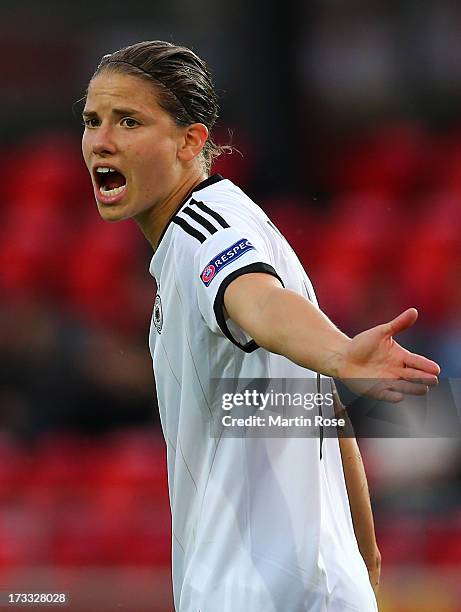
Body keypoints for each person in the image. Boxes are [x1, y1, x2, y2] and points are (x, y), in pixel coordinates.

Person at [81, 41, 440, 612]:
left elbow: (258, 301)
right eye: (93, 120)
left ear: (190, 142)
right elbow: (315, 409)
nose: (102, 140)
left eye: (129, 121)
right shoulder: (230, 226)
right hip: (314, 591)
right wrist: (365, 557)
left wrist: (344, 353)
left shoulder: (206, 233)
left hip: (251, 595)